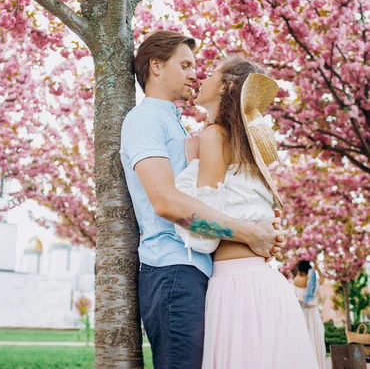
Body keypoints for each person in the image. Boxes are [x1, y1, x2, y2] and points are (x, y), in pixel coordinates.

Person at [120, 30, 286, 369]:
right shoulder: (145, 119)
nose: (195, 74)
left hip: (198, 269)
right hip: (172, 269)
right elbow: (165, 201)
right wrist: (248, 232)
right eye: (185, 65)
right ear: (155, 66)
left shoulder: (179, 126)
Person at [175, 54, 318, 369]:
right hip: (265, 284)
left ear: (225, 86)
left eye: (212, 72)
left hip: (235, 286)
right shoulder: (243, 149)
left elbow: (202, 235)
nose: (202, 76)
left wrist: (193, 164)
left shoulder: (214, 137)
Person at [293, 260, 327, 369]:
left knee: (303, 338)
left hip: (302, 313)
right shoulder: (313, 281)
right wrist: (317, 268)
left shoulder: (296, 280)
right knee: (316, 337)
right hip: (313, 313)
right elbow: (322, 278)